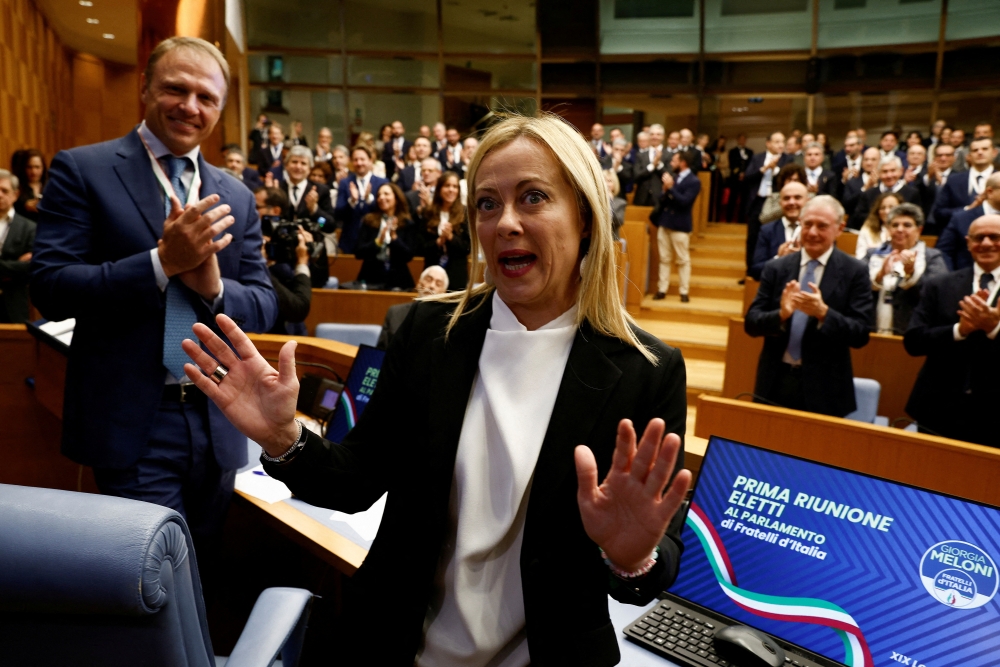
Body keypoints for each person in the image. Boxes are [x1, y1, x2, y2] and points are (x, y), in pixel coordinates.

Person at [179, 112, 691, 666]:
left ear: (586, 217)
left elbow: (646, 562)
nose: (506, 223)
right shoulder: (425, 332)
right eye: (487, 204)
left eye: (534, 197)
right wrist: (284, 438)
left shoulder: (647, 368)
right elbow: (356, 481)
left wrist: (629, 557)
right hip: (399, 648)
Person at [29, 38, 277, 551]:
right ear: (144, 88)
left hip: (219, 418)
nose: (191, 106)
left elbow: (265, 301)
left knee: (203, 569)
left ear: (221, 109)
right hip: (132, 421)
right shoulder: (83, 170)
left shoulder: (236, 194)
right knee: (159, 579)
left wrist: (212, 288)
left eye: (206, 97)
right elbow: (51, 287)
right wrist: (162, 264)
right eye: (175, 89)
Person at [745, 195, 872, 417]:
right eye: (808, 224)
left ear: (839, 228)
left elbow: (860, 334)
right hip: (775, 382)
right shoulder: (776, 268)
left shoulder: (855, 271)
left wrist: (823, 313)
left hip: (826, 389)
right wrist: (781, 314)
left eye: (822, 226)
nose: (812, 232)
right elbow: (751, 323)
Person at [904, 215, 1000, 447]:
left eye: (995, 237)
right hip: (937, 408)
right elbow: (913, 342)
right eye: (979, 238)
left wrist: (994, 329)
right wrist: (959, 330)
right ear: (968, 243)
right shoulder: (940, 284)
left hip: (994, 415)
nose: (986, 243)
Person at [864, 203, 947, 335]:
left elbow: (937, 295)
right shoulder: (872, 254)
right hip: (872, 327)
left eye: (907, 225)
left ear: (919, 230)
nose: (900, 229)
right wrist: (879, 276)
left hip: (911, 332)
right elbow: (857, 289)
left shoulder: (932, 257)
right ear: (888, 228)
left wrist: (911, 275)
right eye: (895, 225)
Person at [256, 186, 313, 335]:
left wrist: (306, 257)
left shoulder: (288, 238)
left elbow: (299, 308)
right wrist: (260, 263)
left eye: (256, 207)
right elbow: (297, 309)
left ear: (275, 211)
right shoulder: (250, 246)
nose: (252, 211)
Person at [650, 150, 700, 302]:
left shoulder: (694, 181)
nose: (671, 163)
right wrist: (665, 190)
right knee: (664, 259)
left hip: (680, 226)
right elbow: (662, 199)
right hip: (665, 224)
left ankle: (684, 291)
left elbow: (685, 202)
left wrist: (671, 188)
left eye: (674, 161)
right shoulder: (675, 177)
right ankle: (662, 289)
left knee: (683, 260)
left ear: (683, 163)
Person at [354, 182, 418, 290]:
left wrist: (394, 238)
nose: (381, 197)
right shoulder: (369, 221)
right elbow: (358, 252)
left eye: (386, 194)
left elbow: (409, 255)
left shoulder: (407, 223)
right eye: (379, 195)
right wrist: (379, 241)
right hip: (371, 277)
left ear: (396, 198)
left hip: (399, 279)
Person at [744, 132, 792, 271]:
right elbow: (747, 178)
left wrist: (775, 169)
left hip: (776, 204)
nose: (780, 145)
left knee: (773, 237)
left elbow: (786, 178)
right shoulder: (758, 158)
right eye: (777, 142)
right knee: (752, 238)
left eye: (782, 141)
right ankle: (750, 272)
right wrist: (764, 169)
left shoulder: (787, 159)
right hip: (757, 202)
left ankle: (771, 271)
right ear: (768, 143)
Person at [936, 172, 1000, 271]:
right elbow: (944, 252)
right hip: (967, 280)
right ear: (990, 192)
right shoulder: (961, 218)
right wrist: (954, 279)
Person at [376, 265, 449, 350]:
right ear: (418, 284)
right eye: (428, 280)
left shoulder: (446, 322)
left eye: (438, 284)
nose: (432, 286)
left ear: (444, 293)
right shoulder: (395, 313)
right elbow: (381, 351)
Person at [931, 136, 996, 231]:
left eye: (985, 149)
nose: (980, 152)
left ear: (994, 153)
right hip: (960, 235)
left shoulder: (998, 178)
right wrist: (967, 209)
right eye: (975, 150)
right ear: (969, 156)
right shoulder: (954, 180)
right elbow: (939, 212)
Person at [419, 171, 470, 291]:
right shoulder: (428, 212)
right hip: (431, 272)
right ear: (439, 189)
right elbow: (420, 246)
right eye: (447, 186)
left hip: (456, 273)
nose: (451, 190)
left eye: (455, 186)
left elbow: (468, 247)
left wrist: (450, 237)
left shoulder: (465, 213)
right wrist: (438, 242)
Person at [748, 181, 807, 281]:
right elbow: (755, 271)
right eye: (786, 198)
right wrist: (778, 258)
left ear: (807, 201)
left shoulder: (818, 231)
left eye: (797, 198)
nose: (792, 202)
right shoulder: (767, 230)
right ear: (780, 203)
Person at [335, 144, 388, 254]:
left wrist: (369, 199)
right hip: (349, 241)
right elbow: (338, 214)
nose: (359, 163)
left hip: (374, 240)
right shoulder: (345, 183)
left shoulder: (382, 183)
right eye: (355, 160)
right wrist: (352, 202)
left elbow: (386, 211)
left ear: (370, 160)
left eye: (362, 159)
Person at [0, 170, 36, 323]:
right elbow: (20, 267)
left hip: (14, 304)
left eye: (4, 190)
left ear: (15, 194)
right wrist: (15, 265)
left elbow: (30, 267)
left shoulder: (29, 227)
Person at [848, 156, 921, 230]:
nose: (889, 175)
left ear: (901, 171)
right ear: (879, 173)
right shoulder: (869, 193)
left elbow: (916, 219)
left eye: (893, 171)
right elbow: (858, 217)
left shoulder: (912, 193)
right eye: (885, 171)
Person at [279, 145, 335, 223]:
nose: (298, 167)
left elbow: (328, 226)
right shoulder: (277, 188)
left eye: (303, 163)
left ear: (309, 169)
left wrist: (314, 210)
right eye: (294, 162)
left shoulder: (321, 190)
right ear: (286, 165)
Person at [855, 191, 901, 260]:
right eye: (883, 208)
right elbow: (860, 258)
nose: (887, 211)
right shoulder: (868, 229)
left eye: (891, 207)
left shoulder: (906, 230)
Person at [758, 163, 807, 227]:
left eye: (796, 180)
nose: (792, 182)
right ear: (783, 181)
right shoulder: (773, 197)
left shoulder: (810, 197)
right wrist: (786, 206)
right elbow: (763, 218)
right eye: (789, 180)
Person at [630, 123, 667, 206]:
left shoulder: (669, 154)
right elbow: (636, 175)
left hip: (661, 198)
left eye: (658, 134)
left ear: (663, 137)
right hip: (641, 197)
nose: (655, 137)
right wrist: (652, 165)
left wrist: (659, 164)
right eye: (652, 134)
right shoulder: (640, 155)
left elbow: (670, 175)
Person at [12, 148, 47, 221]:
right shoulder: (16, 186)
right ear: (23, 168)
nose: (33, 171)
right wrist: (24, 206)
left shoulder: (50, 185)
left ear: (43, 168)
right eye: (29, 167)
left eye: (37, 167)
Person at [727, 133, 753, 222]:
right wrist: (738, 173)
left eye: (744, 139)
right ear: (738, 140)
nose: (742, 141)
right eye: (741, 139)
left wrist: (745, 173)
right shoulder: (732, 151)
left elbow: (751, 165)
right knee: (732, 200)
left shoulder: (750, 152)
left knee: (744, 201)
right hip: (735, 179)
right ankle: (729, 219)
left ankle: (741, 220)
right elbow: (732, 164)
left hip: (745, 180)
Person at [604, 167, 627, 238]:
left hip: (612, 239)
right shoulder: (595, 202)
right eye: (604, 181)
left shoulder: (621, 203)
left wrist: (610, 202)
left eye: (610, 181)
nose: (607, 184)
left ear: (615, 184)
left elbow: (617, 222)